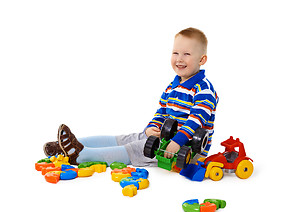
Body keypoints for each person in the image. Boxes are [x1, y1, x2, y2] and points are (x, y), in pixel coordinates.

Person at [43, 27, 219, 167]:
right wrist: (151, 127)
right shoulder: (172, 86)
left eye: (186, 54)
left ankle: (82, 155)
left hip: (187, 149)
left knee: (139, 148)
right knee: (131, 138)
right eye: (175, 53)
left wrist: (177, 142)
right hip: (166, 137)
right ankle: (66, 146)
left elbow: (196, 120)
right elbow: (161, 112)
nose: (179, 59)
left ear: (202, 59)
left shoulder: (204, 90)